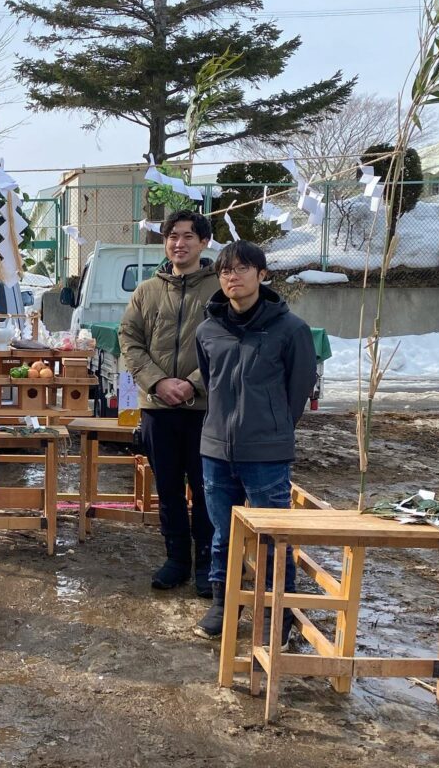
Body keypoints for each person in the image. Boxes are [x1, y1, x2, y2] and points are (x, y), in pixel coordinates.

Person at [193, 240, 317, 642]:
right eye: (226, 270)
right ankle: (224, 603)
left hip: (266, 453)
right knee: (222, 533)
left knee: (273, 536)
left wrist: (273, 428)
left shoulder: (291, 329)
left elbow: (298, 389)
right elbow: (211, 382)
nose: (233, 277)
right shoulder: (208, 330)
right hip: (216, 449)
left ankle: (277, 612)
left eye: (243, 269)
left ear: (262, 275)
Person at [119, 210, 217, 598]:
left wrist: (193, 385)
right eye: (172, 236)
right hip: (158, 407)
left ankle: (208, 562)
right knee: (169, 487)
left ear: (204, 242)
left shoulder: (220, 289)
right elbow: (130, 340)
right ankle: (176, 558)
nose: (179, 243)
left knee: (207, 488)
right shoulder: (146, 291)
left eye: (188, 236)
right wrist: (158, 382)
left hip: (204, 409)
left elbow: (227, 346)